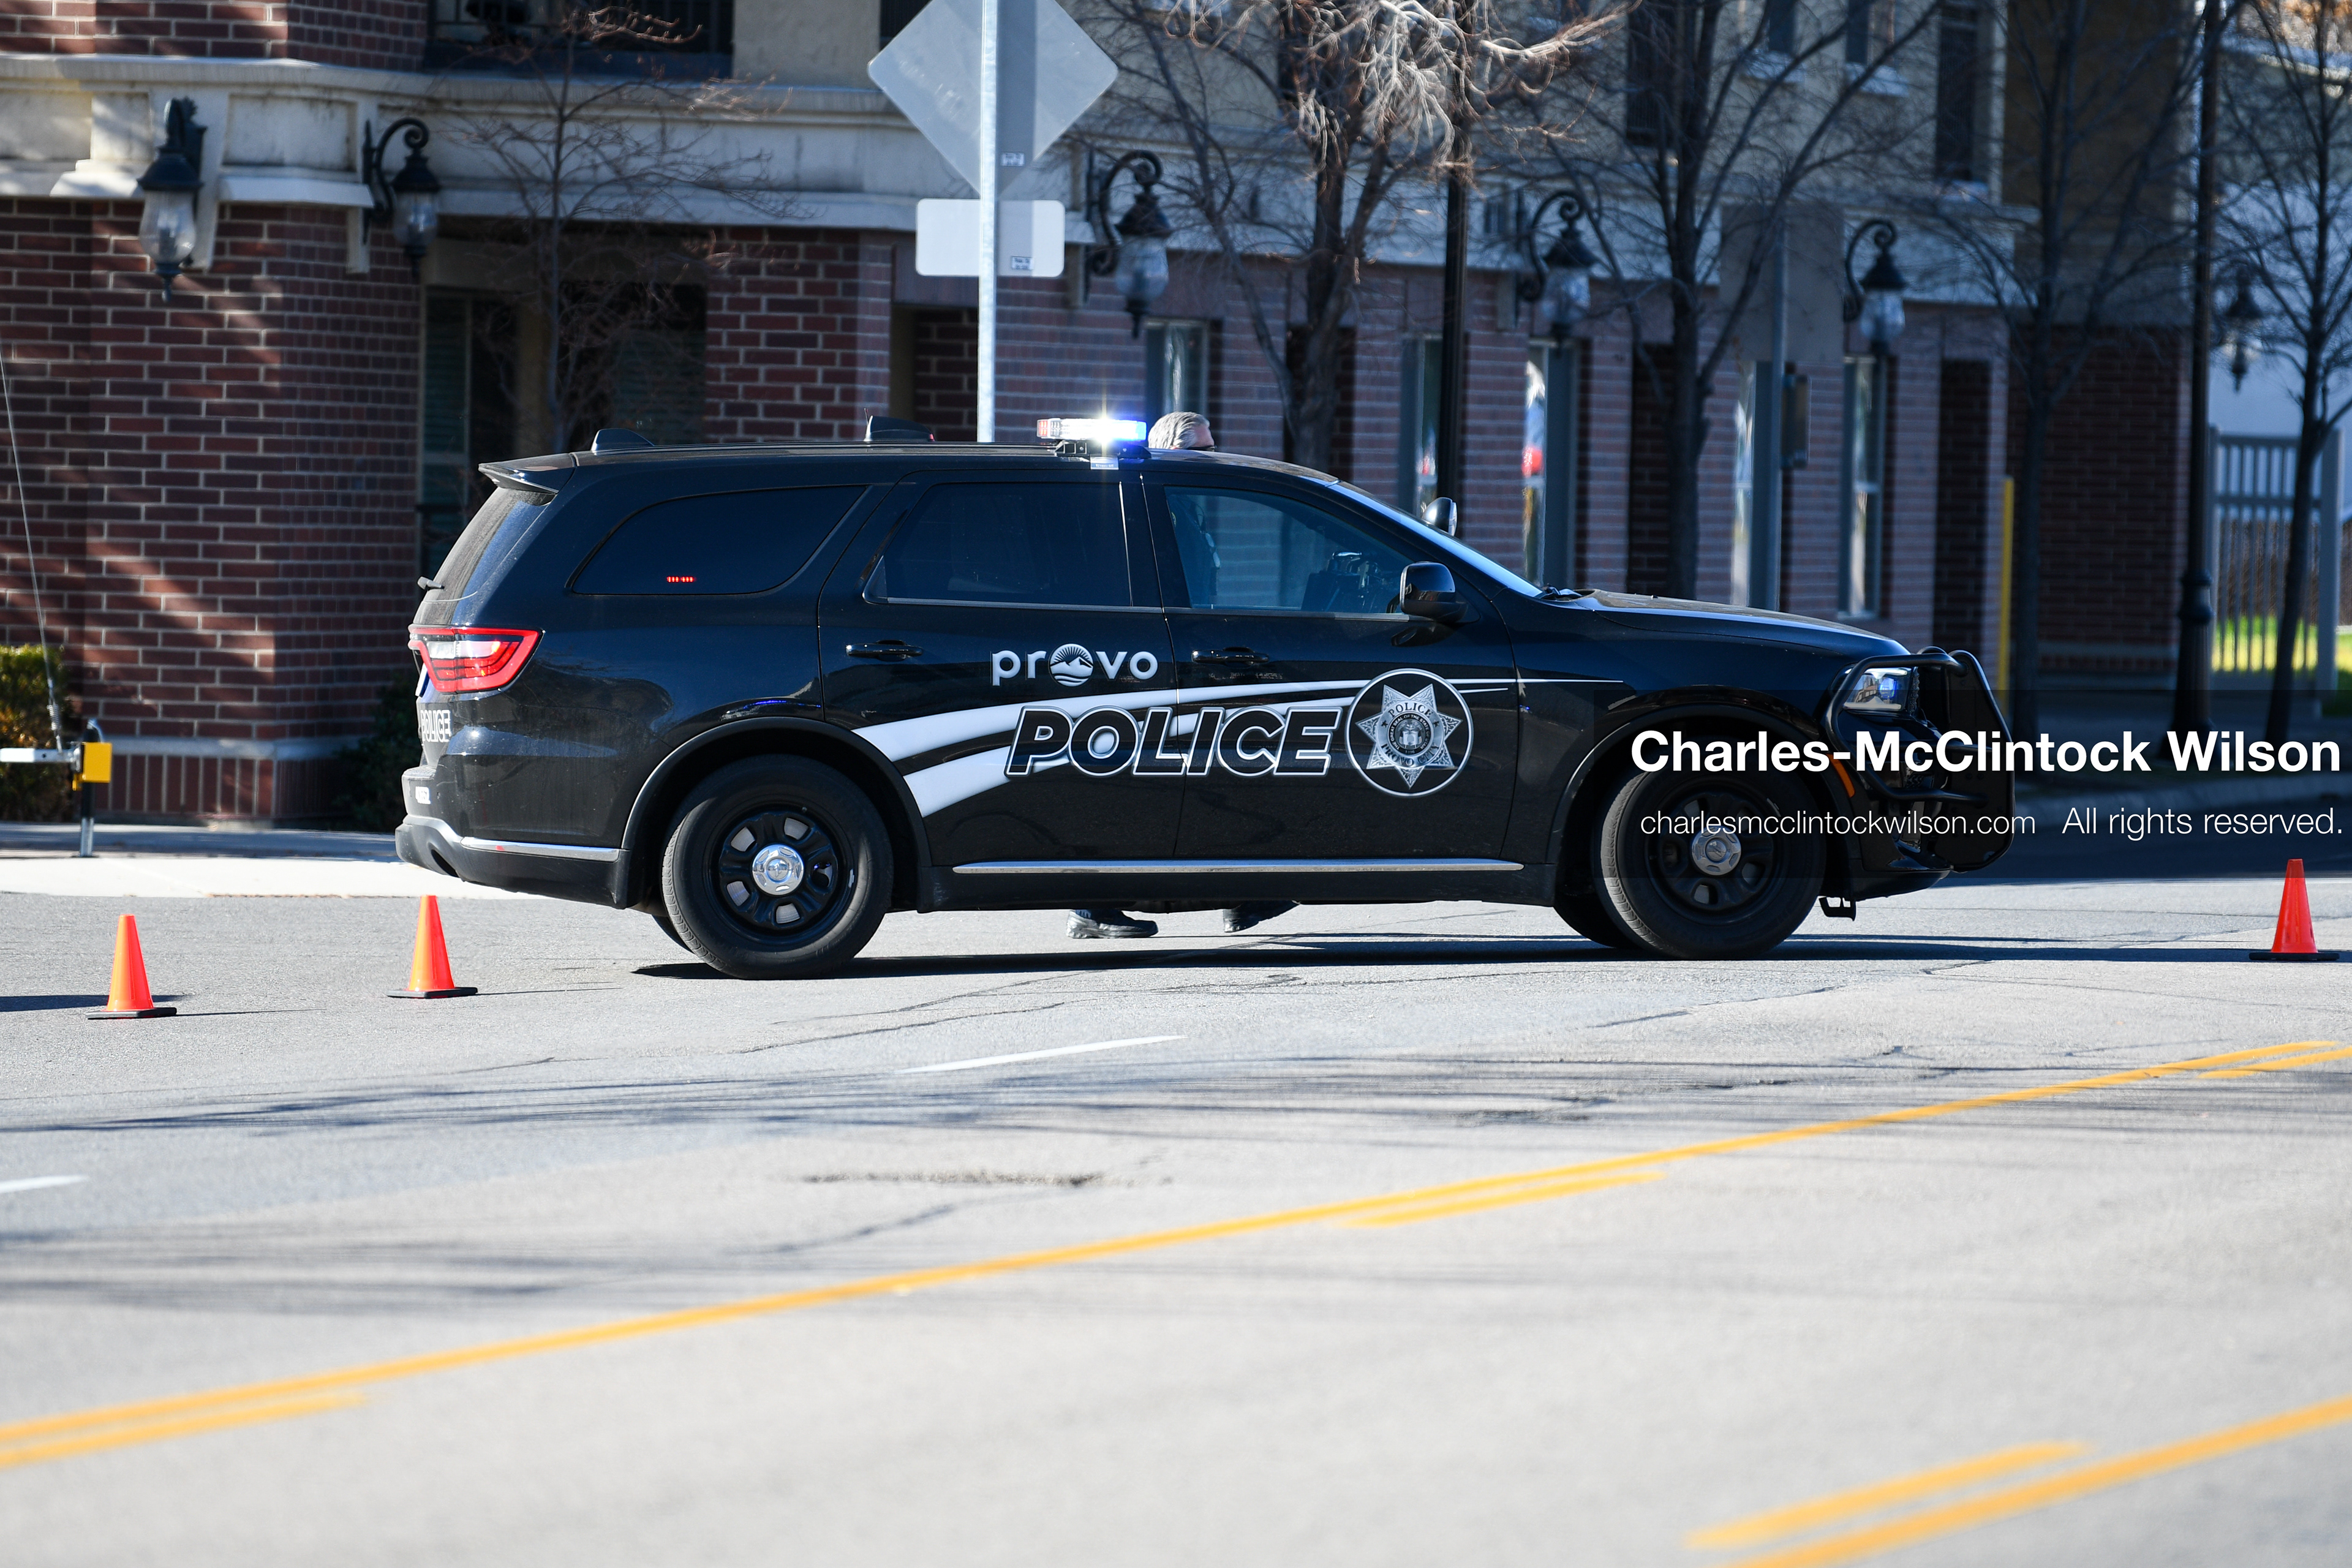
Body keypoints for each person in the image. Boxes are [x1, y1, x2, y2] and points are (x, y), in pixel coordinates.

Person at [1069, 413, 1294, 942]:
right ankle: (1092, 906)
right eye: (1199, 449)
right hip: (1147, 668)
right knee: (1134, 787)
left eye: (1213, 447)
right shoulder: (1153, 510)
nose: (1210, 458)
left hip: (1189, 661)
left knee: (1215, 778)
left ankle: (1242, 895)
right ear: (1168, 451)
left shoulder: (1183, 511)